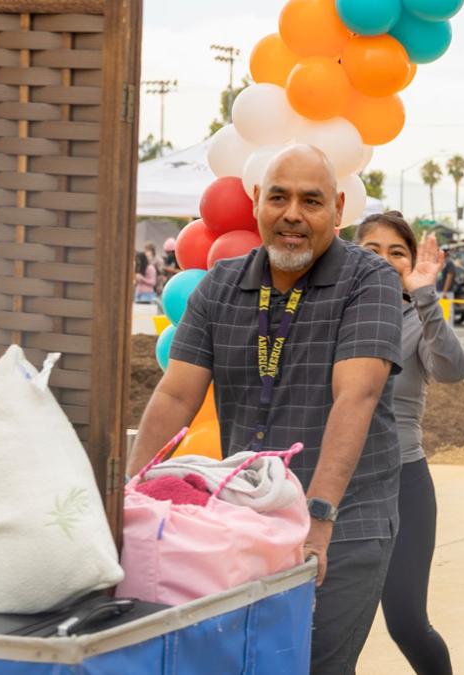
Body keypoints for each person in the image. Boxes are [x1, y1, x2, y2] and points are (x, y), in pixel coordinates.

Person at [126, 145, 404, 674]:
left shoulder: (368, 281)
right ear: (257, 203)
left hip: (344, 523)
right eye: (279, 197)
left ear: (338, 209)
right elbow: (175, 395)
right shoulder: (221, 284)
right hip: (245, 520)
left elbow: (357, 396)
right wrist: (132, 493)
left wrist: (318, 518)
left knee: (312, 664)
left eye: (311, 200)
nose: (293, 214)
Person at [357, 213, 464, 675]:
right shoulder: (325, 314)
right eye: (372, 250)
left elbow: (452, 369)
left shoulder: (415, 319)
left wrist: (425, 296)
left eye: (396, 252)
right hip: (332, 484)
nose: (384, 261)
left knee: (405, 620)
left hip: (403, 479)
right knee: (330, 625)